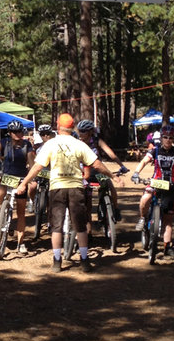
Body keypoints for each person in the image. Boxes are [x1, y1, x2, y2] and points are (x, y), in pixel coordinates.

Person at [16, 113, 114, 272]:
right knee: (80, 226)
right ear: (72, 126)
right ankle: (84, 260)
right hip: (76, 187)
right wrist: (113, 176)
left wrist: (24, 183)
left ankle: (56, 261)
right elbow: (96, 163)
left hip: (57, 188)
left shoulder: (50, 144)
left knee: (57, 227)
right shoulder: (80, 144)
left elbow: (37, 166)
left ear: (57, 125)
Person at [132, 124, 174, 257]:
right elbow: (144, 161)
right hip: (155, 181)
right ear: (161, 138)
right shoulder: (155, 151)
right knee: (145, 198)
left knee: (168, 219)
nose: (167, 140)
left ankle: (167, 246)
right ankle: (143, 218)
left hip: (170, 185)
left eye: (170, 137)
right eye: (165, 137)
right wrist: (136, 173)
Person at [0, 119, 35, 254]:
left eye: (20, 131)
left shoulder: (27, 145)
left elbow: (31, 162)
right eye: (15, 132)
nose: (18, 134)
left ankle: (21, 243)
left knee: (21, 212)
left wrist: (32, 177)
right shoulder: (4, 142)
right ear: (10, 132)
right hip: (6, 177)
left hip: (21, 179)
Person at [76, 119, 128, 224]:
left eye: (83, 131)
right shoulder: (77, 142)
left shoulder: (97, 141)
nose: (80, 133)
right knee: (87, 202)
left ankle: (116, 208)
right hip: (83, 172)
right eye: (79, 131)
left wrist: (122, 165)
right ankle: (88, 230)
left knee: (110, 186)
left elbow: (111, 154)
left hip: (98, 171)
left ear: (90, 132)